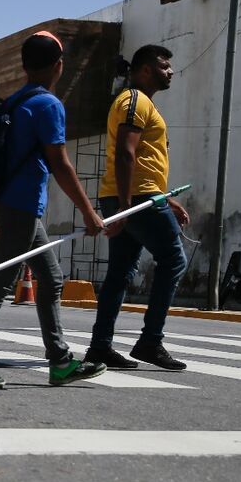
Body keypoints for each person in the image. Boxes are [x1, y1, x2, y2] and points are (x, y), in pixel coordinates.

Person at [0, 31, 107, 388]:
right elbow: (60, 163)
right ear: (59, 66)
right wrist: (88, 211)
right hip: (21, 207)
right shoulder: (48, 105)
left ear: (23, 65)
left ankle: (60, 360)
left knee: (51, 279)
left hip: (7, 203)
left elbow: (3, 160)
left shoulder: (15, 101)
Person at [84, 45, 188, 371]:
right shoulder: (134, 101)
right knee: (173, 260)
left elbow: (143, 161)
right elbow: (126, 153)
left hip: (140, 196)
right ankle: (150, 341)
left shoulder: (142, 102)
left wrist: (166, 199)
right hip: (134, 198)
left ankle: (100, 346)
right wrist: (128, 208)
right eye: (163, 65)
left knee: (119, 273)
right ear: (145, 70)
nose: (170, 71)